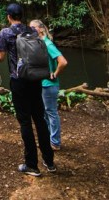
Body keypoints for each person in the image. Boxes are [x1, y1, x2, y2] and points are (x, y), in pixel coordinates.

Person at [0, 3, 56, 176]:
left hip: (19, 81)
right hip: (35, 80)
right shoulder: (32, 30)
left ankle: (32, 165)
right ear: (22, 16)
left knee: (25, 122)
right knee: (40, 119)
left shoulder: (6, 33)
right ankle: (49, 161)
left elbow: (0, 57)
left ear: (8, 16)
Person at [30, 19, 68, 151]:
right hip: (42, 84)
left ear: (40, 29)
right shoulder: (40, 44)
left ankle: (55, 142)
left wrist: (55, 73)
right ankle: (47, 140)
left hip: (49, 85)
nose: (31, 29)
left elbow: (63, 62)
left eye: (33, 27)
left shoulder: (47, 44)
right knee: (45, 114)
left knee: (51, 112)